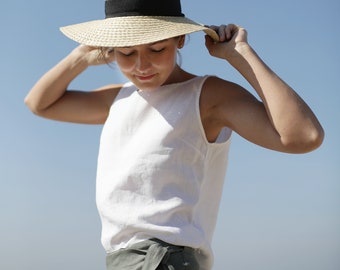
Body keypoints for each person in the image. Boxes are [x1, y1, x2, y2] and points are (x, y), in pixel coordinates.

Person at [24, 0, 324, 269]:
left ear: (180, 39)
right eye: (127, 53)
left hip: (162, 259)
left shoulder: (206, 95)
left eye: (156, 49)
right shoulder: (119, 99)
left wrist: (240, 55)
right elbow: (39, 104)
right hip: (126, 260)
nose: (142, 65)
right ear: (111, 51)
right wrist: (81, 57)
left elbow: (303, 136)